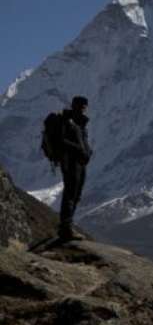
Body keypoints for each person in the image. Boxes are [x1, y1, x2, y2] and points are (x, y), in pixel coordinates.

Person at [59, 95, 92, 240]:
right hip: (70, 162)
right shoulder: (68, 122)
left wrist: (88, 151)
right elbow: (62, 141)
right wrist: (80, 150)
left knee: (76, 194)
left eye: (85, 107)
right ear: (75, 106)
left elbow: (84, 141)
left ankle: (68, 226)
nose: (84, 109)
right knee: (70, 193)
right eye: (82, 106)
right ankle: (66, 228)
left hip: (80, 163)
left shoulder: (81, 124)